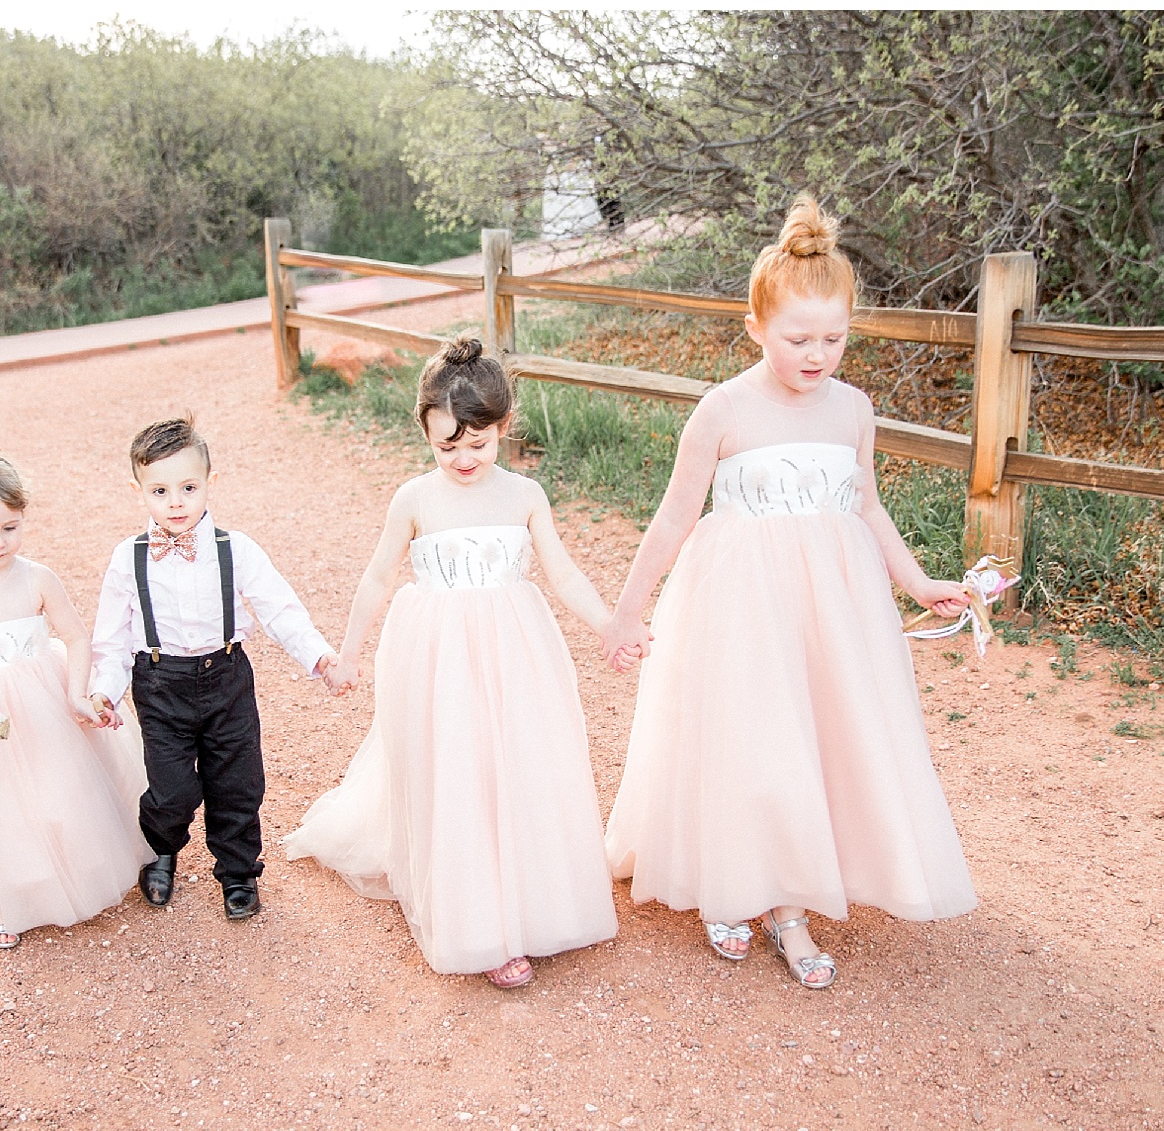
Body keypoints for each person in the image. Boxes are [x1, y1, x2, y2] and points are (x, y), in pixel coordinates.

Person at [598, 194, 979, 988]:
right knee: (752, 737)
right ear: (756, 328)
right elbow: (673, 519)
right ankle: (744, 888)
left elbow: (867, 506)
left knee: (819, 733)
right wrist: (628, 609)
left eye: (834, 338)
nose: (817, 355)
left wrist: (918, 582)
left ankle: (792, 896)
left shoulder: (853, 410)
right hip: (741, 602)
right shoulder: (724, 410)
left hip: (834, 609)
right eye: (798, 338)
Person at [286, 337, 627, 989]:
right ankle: (482, 923)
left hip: (515, 650)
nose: (464, 458)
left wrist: (609, 622)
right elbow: (376, 578)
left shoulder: (524, 494)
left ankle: (537, 898)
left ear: (503, 427)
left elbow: (563, 572)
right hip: (438, 657)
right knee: (461, 770)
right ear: (425, 430)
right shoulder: (415, 499)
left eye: (479, 443)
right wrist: (350, 649)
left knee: (520, 764)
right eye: (448, 446)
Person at [0, 439, 154, 951]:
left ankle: (84, 865)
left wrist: (77, 691)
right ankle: (6, 897)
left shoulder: (37, 577)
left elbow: (77, 636)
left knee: (61, 788)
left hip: (42, 701)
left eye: (10, 527)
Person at [89, 416, 336, 921]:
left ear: (210, 484)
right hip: (159, 684)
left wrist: (318, 655)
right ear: (137, 491)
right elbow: (111, 639)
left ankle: (239, 872)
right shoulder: (128, 559)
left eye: (187, 487)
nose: (175, 502)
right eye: (159, 490)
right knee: (172, 788)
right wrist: (105, 692)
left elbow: (279, 609)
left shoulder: (236, 549)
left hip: (226, 677)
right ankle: (160, 847)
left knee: (238, 781)